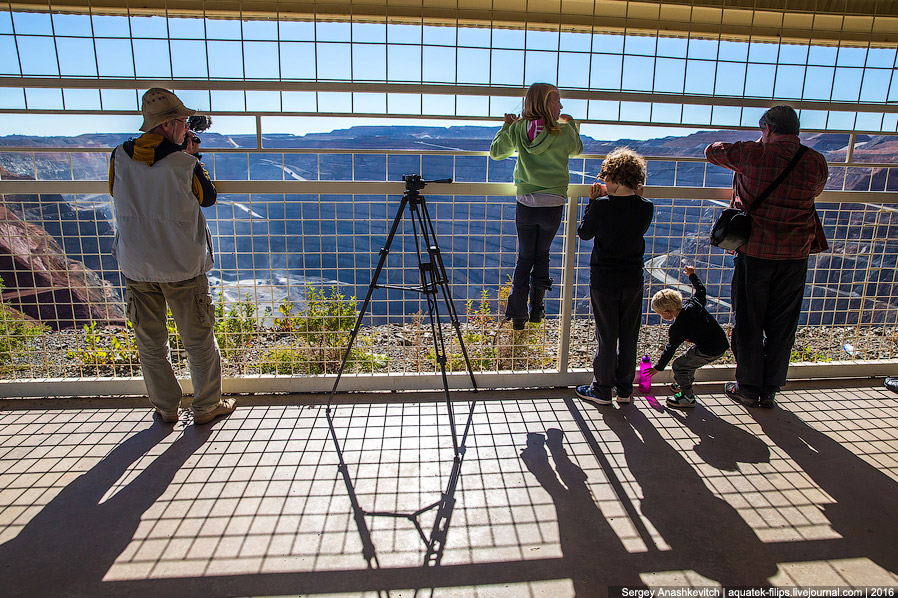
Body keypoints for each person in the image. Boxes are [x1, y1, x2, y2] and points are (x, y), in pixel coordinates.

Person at [108, 88, 236, 425]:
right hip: (180, 265)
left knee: (150, 341)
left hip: (136, 264)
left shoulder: (118, 156)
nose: (186, 126)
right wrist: (192, 157)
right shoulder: (184, 162)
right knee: (197, 338)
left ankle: (166, 408)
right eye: (181, 121)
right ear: (166, 125)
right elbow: (207, 198)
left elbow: (120, 189)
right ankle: (207, 406)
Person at [705, 104, 828, 409]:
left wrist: (759, 145)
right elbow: (817, 191)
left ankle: (747, 386)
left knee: (749, 320)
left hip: (755, 251)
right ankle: (770, 388)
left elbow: (712, 151)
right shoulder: (816, 161)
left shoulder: (755, 154)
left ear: (768, 129)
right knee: (782, 323)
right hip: (796, 254)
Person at [489, 82, 583, 330]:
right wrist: (571, 123)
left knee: (525, 257)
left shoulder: (519, 128)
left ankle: (518, 314)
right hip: (553, 203)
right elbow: (577, 149)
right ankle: (537, 309)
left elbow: (497, 153)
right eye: (557, 100)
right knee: (542, 255)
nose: (561, 105)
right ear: (545, 103)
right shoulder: (563, 132)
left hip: (526, 202)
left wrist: (506, 126)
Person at [575, 148, 653, 406]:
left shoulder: (601, 206)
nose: (603, 181)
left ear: (615, 178)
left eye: (606, 176)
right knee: (630, 334)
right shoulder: (646, 208)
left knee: (607, 335)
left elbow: (584, 233)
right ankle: (625, 390)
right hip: (632, 278)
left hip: (605, 279)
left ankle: (602, 390)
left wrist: (592, 203)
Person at [647, 266, 730, 409]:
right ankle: (683, 383)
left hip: (709, 349)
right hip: (719, 341)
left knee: (679, 366)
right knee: (688, 360)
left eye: (660, 314)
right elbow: (701, 290)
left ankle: (687, 397)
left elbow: (670, 349)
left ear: (667, 313)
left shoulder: (678, 327)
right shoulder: (694, 303)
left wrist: (658, 368)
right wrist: (692, 275)